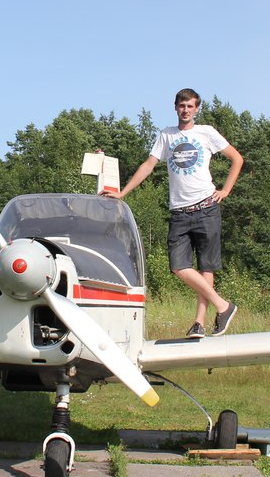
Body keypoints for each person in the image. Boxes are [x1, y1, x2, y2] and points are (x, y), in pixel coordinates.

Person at [103, 88, 244, 338]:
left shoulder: (207, 132)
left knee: (206, 268)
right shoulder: (167, 135)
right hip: (179, 212)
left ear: (197, 109)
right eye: (182, 106)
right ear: (175, 107)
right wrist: (124, 192)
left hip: (206, 207)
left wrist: (226, 190)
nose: (186, 110)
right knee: (179, 266)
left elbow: (237, 159)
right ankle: (224, 306)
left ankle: (199, 323)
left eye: (190, 106)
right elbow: (149, 165)